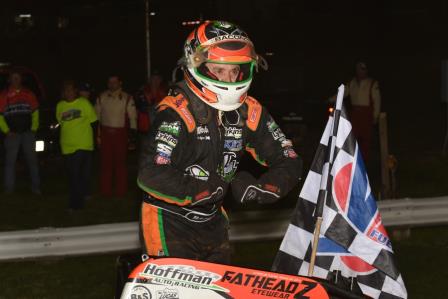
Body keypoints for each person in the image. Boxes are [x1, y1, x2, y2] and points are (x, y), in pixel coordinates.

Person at [138, 20, 302, 263]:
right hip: (168, 221)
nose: (229, 78)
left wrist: (268, 186)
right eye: (220, 70)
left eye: (235, 70)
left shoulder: (249, 111)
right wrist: (199, 189)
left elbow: (288, 158)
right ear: (197, 65)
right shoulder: (177, 112)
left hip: (214, 218)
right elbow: (150, 173)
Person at [56, 80, 97, 210]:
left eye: (71, 89)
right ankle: (83, 195)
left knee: (75, 174)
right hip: (67, 146)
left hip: (83, 145)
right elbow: (61, 123)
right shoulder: (60, 106)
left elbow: (94, 122)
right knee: (75, 174)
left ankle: (75, 204)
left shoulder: (84, 103)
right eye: (66, 90)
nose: (68, 92)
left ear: (75, 91)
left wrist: (95, 140)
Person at [330, 61, 381, 161]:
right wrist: (331, 99)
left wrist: (375, 116)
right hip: (355, 113)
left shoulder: (372, 83)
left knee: (366, 140)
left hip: (366, 114)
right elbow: (343, 93)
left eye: (363, 69)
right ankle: (352, 160)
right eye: (359, 69)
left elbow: (377, 100)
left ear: (366, 71)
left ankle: (365, 161)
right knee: (352, 137)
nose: (361, 72)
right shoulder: (352, 82)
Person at [95, 75, 137, 198]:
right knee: (105, 163)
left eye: (114, 82)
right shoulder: (101, 97)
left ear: (120, 83)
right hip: (105, 133)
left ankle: (121, 191)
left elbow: (133, 118)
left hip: (120, 134)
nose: (112, 84)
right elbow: (96, 118)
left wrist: (132, 137)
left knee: (120, 164)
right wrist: (97, 136)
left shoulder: (127, 98)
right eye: (110, 82)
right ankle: (105, 191)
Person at [0, 71, 41, 195]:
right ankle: (9, 189)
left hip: (27, 133)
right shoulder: (3, 95)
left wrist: (33, 129)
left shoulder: (28, 94)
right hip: (12, 134)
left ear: (21, 80)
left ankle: (36, 188)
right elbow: (0, 116)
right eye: (13, 78)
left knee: (32, 161)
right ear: (9, 80)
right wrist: (7, 131)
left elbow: (35, 112)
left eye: (18, 78)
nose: (16, 80)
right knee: (10, 162)